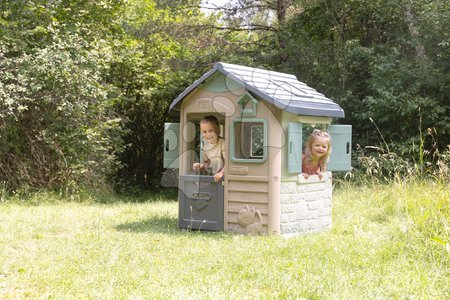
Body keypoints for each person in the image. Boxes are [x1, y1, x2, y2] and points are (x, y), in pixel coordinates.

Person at [193, 115, 225, 182]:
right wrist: (200, 166)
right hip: (215, 178)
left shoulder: (223, 143)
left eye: (210, 131)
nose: (208, 135)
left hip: (225, 178)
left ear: (218, 129)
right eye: (204, 132)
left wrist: (222, 173)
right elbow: (207, 163)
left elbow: (229, 164)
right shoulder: (206, 147)